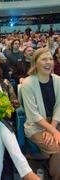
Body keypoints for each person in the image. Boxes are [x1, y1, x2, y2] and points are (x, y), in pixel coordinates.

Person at [21, 48, 60, 180]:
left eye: (50, 59)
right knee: (58, 149)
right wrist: (52, 131)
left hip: (55, 123)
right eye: (44, 59)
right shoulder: (27, 84)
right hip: (36, 126)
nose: (48, 62)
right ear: (35, 63)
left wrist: (52, 129)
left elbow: (59, 107)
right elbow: (33, 115)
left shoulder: (58, 80)